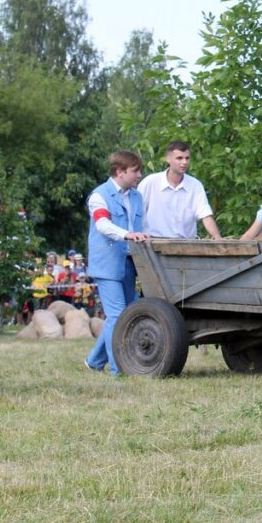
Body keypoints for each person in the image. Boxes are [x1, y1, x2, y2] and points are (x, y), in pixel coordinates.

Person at [85, 150, 150, 375]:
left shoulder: (136, 196)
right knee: (116, 315)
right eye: (135, 171)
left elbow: (143, 227)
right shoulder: (99, 196)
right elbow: (102, 224)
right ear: (119, 172)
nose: (140, 175)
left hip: (129, 263)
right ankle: (118, 369)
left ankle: (94, 361)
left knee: (124, 312)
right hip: (108, 265)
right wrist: (127, 235)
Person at [137, 140, 223, 240]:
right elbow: (137, 212)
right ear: (168, 159)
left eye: (187, 158)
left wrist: (218, 238)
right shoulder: (150, 182)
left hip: (186, 245)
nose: (184, 162)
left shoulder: (195, 185)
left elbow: (205, 215)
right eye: (179, 158)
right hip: (153, 242)